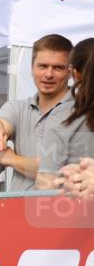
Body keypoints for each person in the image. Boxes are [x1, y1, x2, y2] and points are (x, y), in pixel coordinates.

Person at [0, 34, 74, 191]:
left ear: (70, 71)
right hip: (18, 211)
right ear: (32, 68)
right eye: (43, 66)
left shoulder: (83, 112)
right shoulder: (18, 107)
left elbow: (58, 172)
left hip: (66, 211)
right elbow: (0, 123)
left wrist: (11, 159)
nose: (49, 74)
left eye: (57, 67)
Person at [37, 38, 94, 189]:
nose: (49, 74)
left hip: (76, 209)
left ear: (74, 73)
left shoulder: (64, 115)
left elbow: (46, 184)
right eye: (43, 66)